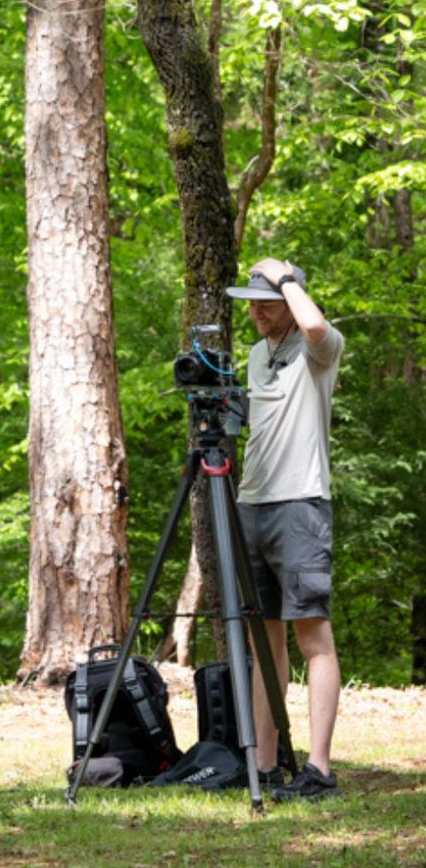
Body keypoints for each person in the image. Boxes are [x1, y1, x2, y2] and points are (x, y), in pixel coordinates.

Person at [226, 257, 345, 803]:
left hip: (300, 505)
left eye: (267, 303)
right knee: (265, 639)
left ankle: (319, 770)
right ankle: (266, 765)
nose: (257, 312)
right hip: (252, 504)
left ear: (290, 302)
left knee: (312, 637)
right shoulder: (257, 355)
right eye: (251, 303)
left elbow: (315, 325)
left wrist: (286, 277)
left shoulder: (320, 349)